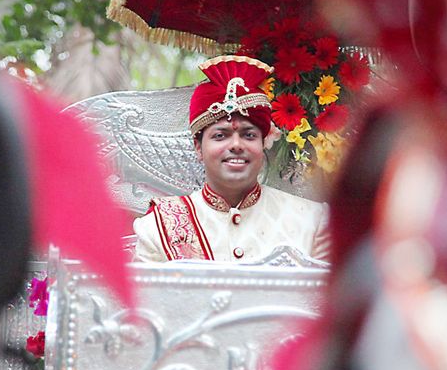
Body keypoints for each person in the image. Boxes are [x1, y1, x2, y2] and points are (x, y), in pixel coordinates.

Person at [133, 55, 330, 263]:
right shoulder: (157, 227)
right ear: (198, 148)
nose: (236, 145)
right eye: (220, 135)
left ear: (264, 143)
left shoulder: (311, 222)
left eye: (249, 135)